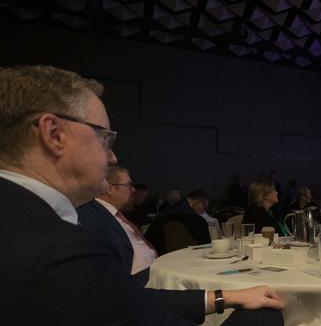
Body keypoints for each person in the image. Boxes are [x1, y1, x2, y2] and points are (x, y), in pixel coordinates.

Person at [0, 65, 284, 325]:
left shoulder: (19, 220)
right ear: (54, 134)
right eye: (104, 137)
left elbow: (119, 300)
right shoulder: (59, 249)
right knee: (265, 314)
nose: (112, 156)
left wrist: (223, 297)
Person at [77, 166, 157, 286]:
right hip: (138, 283)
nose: (133, 190)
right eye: (129, 185)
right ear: (110, 189)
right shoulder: (91, 216)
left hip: (154, 270)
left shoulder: (117, 214)